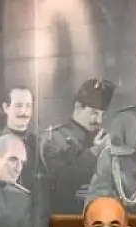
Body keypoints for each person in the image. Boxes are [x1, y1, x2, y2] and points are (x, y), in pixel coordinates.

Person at [43, 78, 114, 215]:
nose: (99, 120)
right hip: (68, 217)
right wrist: (95, 152)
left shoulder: (104, 138)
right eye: (94, 113)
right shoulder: (55, 139)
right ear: (77, 107)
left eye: (102, 114)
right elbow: (60, 182)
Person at [0, 87, 42, 193]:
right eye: (18, 106)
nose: (24, 112)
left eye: (28, 106)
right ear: (6, 108)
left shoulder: (39, 144)